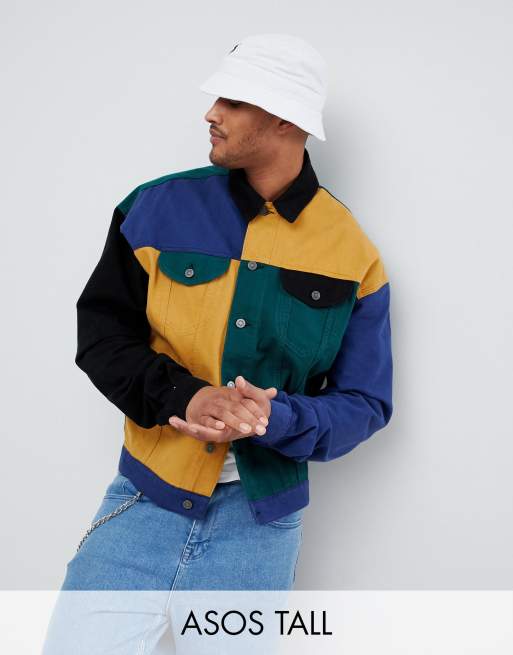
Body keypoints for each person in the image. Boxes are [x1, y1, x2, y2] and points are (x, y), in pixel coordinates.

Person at [42, 33, 393, 653]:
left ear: (285, 120)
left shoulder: (352, 254)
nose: (211, 113)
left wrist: (277, 417)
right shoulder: (151, 209)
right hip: (143, 500)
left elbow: (366, 402)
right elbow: (101, 336)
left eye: (233, 101)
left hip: (258, 532)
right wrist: (185, 395)